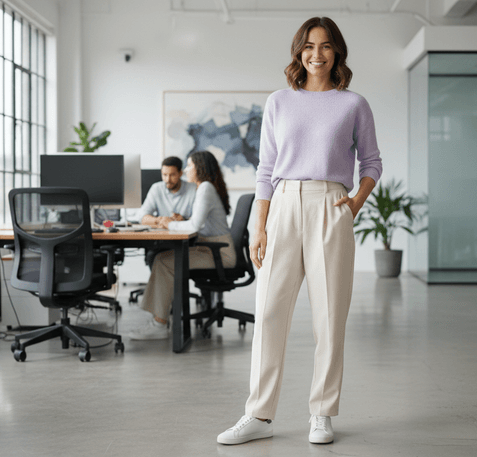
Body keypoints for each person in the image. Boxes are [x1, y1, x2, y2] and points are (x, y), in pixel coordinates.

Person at [217, 17, 382, 446]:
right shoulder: (278, 102)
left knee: (329, 317)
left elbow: (372, 164)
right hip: (284, 204)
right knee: (270, 311)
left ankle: (322, 413)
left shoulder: (353, 104)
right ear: (298, 52)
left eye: (326, 46)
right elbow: (265, 170)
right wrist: (260, 226)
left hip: (331, 204)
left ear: (337, 52)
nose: (317, 54)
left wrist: (354, 205)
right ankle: (258, 414)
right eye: (309, 46)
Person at [128, 151, 236, 340]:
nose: (187, 170)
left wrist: (167, 223)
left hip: (220, 253)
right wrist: (176, 221)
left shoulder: (205, 188)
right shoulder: (205, 187)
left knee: (163, 261)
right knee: (162, 259)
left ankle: (159, 324)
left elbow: (195, 226)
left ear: (199, 168)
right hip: (211, 248)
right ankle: (159, 318)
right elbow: (196, 222)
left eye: (189, 166)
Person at [136, 156, 196, 228]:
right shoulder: (156, 188)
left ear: (180, 173)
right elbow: (141, 217)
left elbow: (199, 220)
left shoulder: (193, 189)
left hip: (186, 235)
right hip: (162, 236)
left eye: (172, 175)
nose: (168, 180)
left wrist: (184, 220)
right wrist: (160, 220)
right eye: (164, 175)